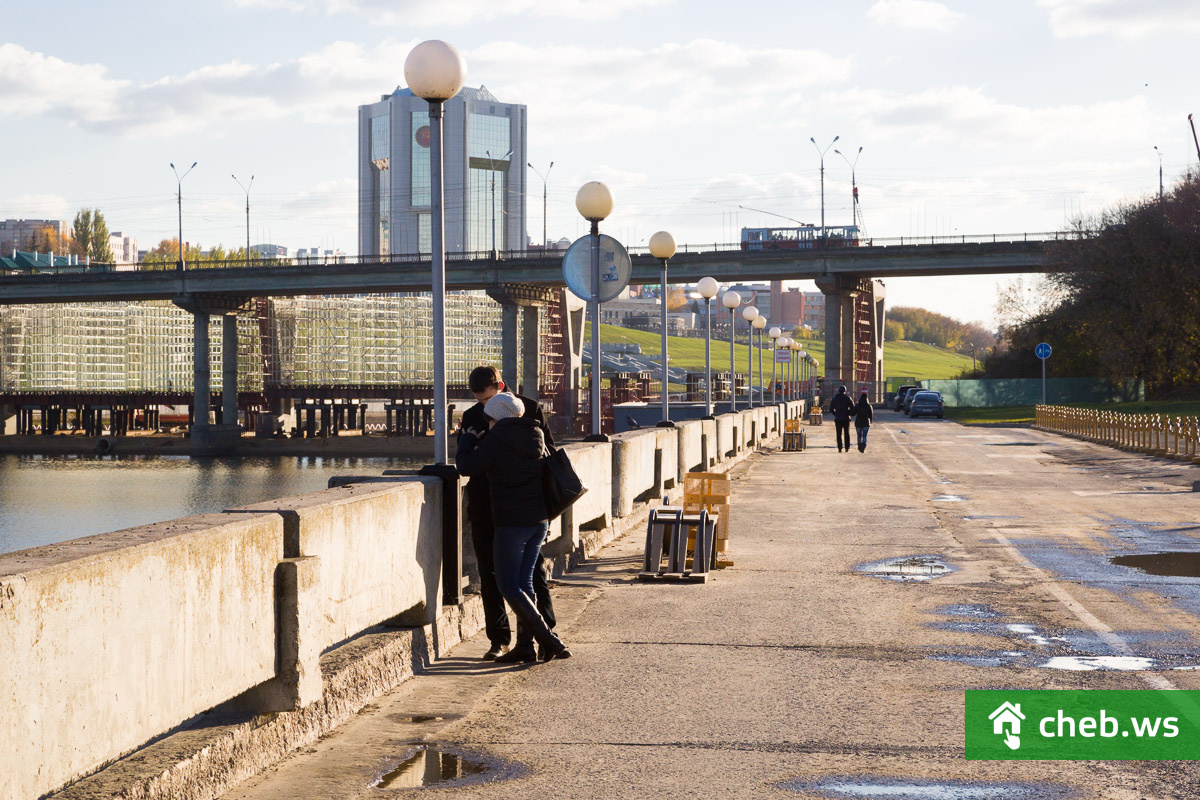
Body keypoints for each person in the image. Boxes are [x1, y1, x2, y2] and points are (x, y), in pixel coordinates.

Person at [456, 391, 571, 662]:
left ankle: (550, 641)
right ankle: (526, 647)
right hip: (538, 520)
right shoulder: (535, 434)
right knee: (525, 582)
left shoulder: (496, 441)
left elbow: (466, 465)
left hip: (511, 521)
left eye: (489, 417)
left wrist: (469, 439)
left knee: (508, 586)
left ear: (498, 417)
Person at [829, 384, 854, 453]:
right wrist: (848, 413)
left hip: (838, 418)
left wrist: (836, 414)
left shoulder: (835, 398)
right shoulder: (848, 398)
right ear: (845, 391)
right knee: (847, 433)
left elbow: (831, 409)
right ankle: (847, 447)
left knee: (838, 434)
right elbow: (852, 408)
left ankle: (840, 448)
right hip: (846, 418)